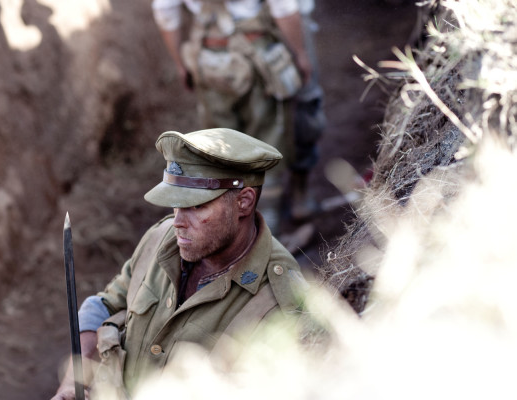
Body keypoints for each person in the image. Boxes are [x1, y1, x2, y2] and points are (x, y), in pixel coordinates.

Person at [51, 128, 311, 399]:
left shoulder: (281, 303)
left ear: (244, 202)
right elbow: (102, 308)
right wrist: (72, 382)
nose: (178, 222)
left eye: (197, 206)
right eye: (175, 203)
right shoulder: (160, 239)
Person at [151, 0, 325, 233]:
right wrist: (301, 54)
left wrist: (181, 65)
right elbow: (284, 8)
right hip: (257, 55)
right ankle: (269, 217)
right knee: (268, 136)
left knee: (220, 146)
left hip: (208, 57)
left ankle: (232, 224)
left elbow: (165, 12)